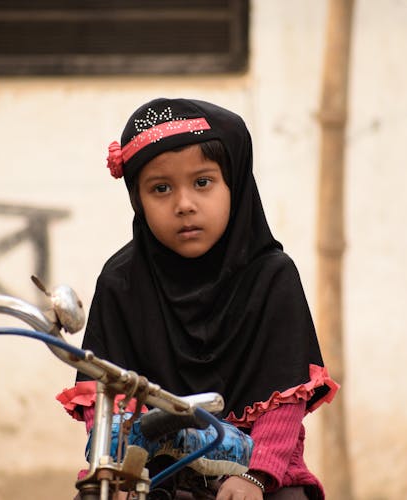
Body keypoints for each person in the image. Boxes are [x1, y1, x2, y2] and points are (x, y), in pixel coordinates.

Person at [57, 98, 338, 500]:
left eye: (202, 182)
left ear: (235, 185)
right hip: (152, 475)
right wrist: (113, 467)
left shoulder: (272, 278)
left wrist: (256, 476)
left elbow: (284, 400)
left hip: (260, 473)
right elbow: (108, 398)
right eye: (161, 188)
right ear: (137, 198)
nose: (184, 204)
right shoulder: (122, 284)